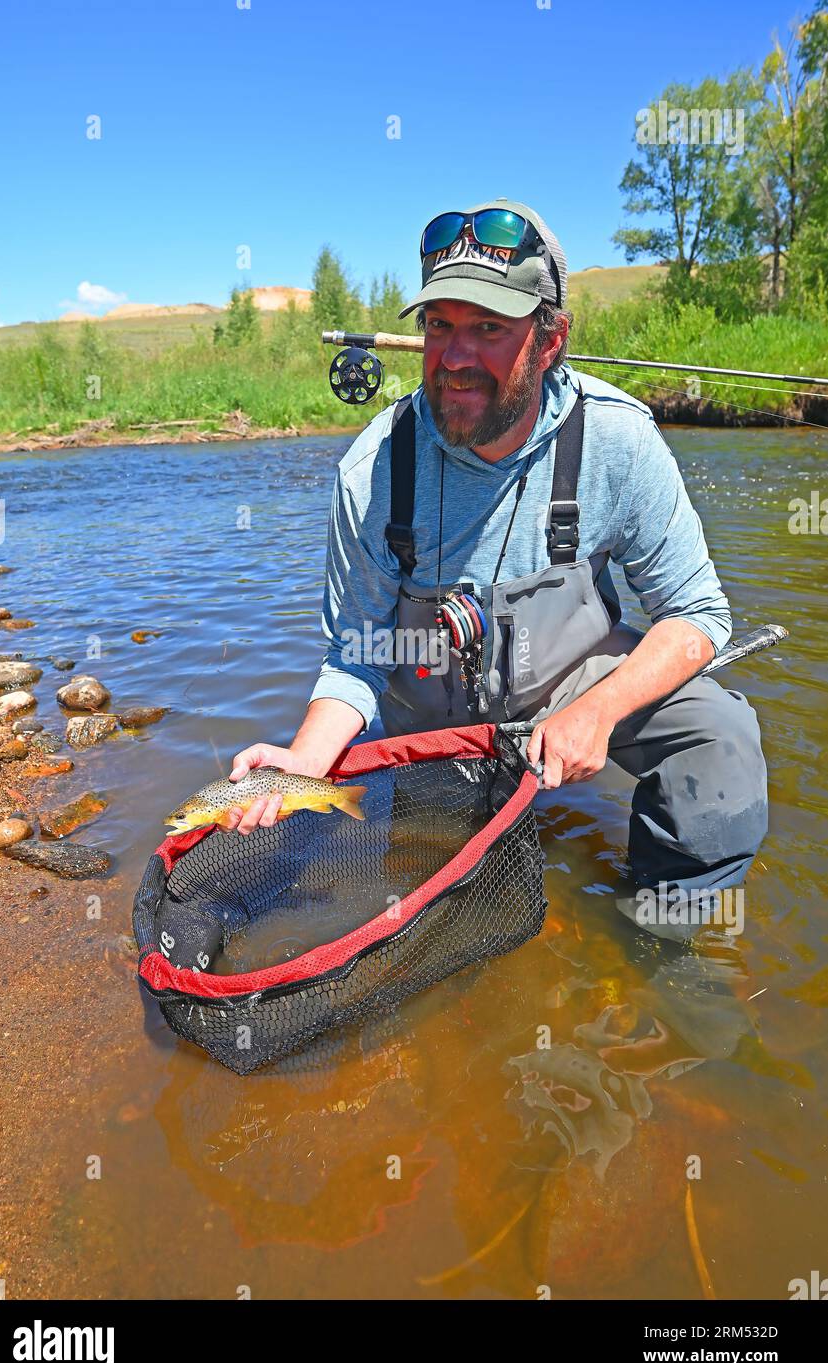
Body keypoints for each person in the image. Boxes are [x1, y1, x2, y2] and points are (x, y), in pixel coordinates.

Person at [224, 198, 768, 908]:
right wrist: (302, 762)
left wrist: (597, 712)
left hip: (569, 681)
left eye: (487, 328)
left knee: (719, 739)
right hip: (430, 716)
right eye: (438, 326)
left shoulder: (618, 442)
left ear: (549, 341)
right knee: (433, 887)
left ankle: (664, 945)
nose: (454, 358)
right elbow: (356, 653)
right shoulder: (372, 471)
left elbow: (696, 615)